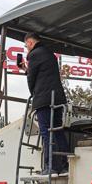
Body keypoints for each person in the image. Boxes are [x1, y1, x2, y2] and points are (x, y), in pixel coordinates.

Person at [19, 32, 69, 174]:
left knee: (46, 132)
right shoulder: (50, 54)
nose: (26, 49)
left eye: (25, 45)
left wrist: (33, 93)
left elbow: (32, 79)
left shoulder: (33, 55)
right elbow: (44, 75)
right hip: (57, 98)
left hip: (44, 100)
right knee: (58, 131)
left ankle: (50, 167)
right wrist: (26, 70)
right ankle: (65, 165)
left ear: (30, 42)